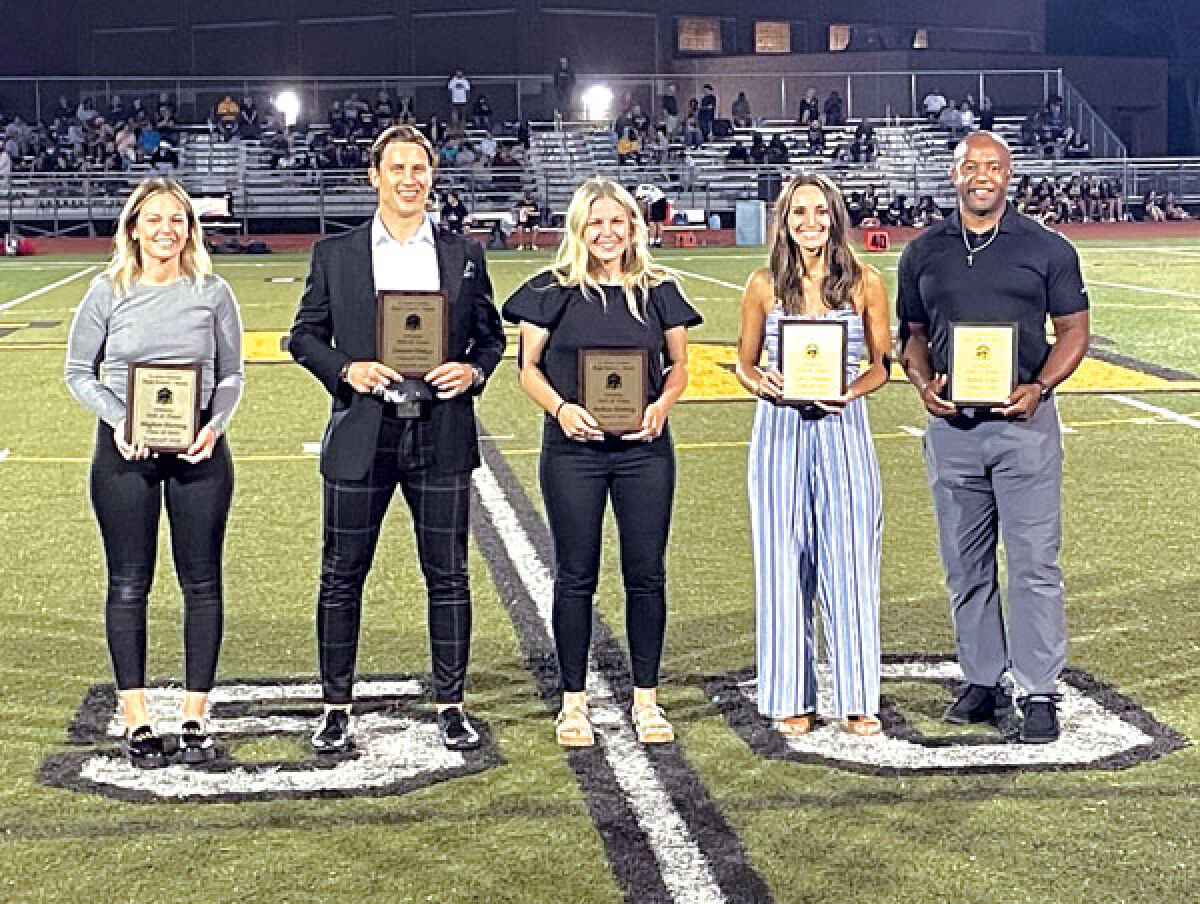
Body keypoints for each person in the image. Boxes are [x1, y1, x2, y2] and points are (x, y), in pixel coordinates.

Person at [287, 125, 506, 754]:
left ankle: (451, 702)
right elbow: (303, 336)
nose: (410, 179)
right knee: (341, 574)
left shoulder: (464, 252)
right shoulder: (338, 254)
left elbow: (490, 339)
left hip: (440, 432)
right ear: (374, 176)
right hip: (364, 431)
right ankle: (335, 704)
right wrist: (345, 370)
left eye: (420, 169)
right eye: (398, 168)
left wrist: (475, 370)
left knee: (448, 575)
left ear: (432, 177)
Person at [896, 131, 1090, 744]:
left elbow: (1075, 333)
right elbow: (913, 334)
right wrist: (923, 385)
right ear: (955, 176)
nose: (982, 176)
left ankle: (1036, 690)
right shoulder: (923, 251)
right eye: (970, 166)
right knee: (965, 564)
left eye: (993, 166)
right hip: (952, 430)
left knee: (1034, 563)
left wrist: (1041, 388)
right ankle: (982, 679)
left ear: (1010, 176)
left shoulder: (1047, 248)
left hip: (1024, 425)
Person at [501, 178, 702, 747]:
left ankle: (646, 699)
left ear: (633, 227)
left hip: (644, 451)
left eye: (617, 222)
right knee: (574, 574)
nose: (607, 233)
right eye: (595, 223)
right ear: (578, 229)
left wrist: (662, 405)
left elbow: (679, 365)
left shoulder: (659, 288)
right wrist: (562, 409)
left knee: (646, 573)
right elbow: (528, 368)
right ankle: (572, 702)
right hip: (573, 452)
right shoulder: (550, 289)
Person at [64, 177, 244, 768]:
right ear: (134, 227)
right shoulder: (106, 291)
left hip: (198, 449)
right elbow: (77, 371)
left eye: (178, 219)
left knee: (203, 583)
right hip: (124, 452)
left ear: (190, 229)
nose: (167, 229)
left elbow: (230, 376)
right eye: (155, 218)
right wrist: (119, 420)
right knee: (128, 583)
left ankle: (195, 717)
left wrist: (213, 427)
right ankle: (138, 719)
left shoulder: (213, 292)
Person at [734, 173, 890, 737]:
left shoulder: (866, 282)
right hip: (778, 431)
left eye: (820, 212)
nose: (810, 223)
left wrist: (852, 389)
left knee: (849, 561)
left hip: (845, 429)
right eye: (799, 212)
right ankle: (789, 695)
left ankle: (856, 697)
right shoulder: (761, 285)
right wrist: (762, 383)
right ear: (784, 219)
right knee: (781, 562)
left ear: (835, 218)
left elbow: (882, 364)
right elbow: (744, 363)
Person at [635, 182, 668, 248]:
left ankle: (654, 241)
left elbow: (642, 208)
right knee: (654, 222)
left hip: (658, 200)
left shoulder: (639, 193)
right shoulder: (641, 188)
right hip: (659, 199)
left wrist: (640, 219)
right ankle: (655, 241)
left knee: (655, 222)